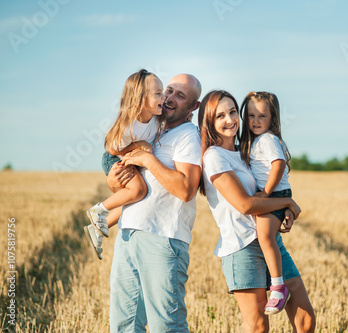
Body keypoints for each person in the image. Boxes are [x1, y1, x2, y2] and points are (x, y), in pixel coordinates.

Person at [198, 90, 316, 333]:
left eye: (232, 112)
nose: (229, 119)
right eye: (220, 116)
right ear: (208, 121)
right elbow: (245, 204)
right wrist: (288, 204)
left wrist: (286, 208)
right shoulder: (214, 157)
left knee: (305, 320)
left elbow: (271, 186)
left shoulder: (246, 151)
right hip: (241, 247)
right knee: (258, 328)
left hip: (270, 240)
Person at [106, 73, 202, 333]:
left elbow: (186, 189)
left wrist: (149, 160)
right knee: (124, 326)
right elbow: (123, 182)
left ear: (194, 107)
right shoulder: (151, 129)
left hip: (163, 240)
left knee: (166, 327)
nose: (169, 98)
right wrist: (114, 180)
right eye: (168, 90)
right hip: (128, 232)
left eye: (180, 96)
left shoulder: (187, 136)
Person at [84, 69, 166, 260]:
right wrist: (139, 145)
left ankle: (96, 228)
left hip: (133, 158)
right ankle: (98, 210)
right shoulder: (130, 122)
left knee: (136, 200)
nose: (164, 97)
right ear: (140, 98)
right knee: (138, 191)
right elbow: (112, 148)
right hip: (114, 158)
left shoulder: (156, 117)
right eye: (158, 93)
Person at [239, 91, 293, 315]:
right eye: (251, 115)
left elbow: (278, 165)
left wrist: (266, 193)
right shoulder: (257, 141)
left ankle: (278, 287)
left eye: (262, 116)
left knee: (264, 236)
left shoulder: (268, 139)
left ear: (273, 118)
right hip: (274, 195)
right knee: (265, 236)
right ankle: (276, 282)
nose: (255, 121)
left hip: (275, 195)